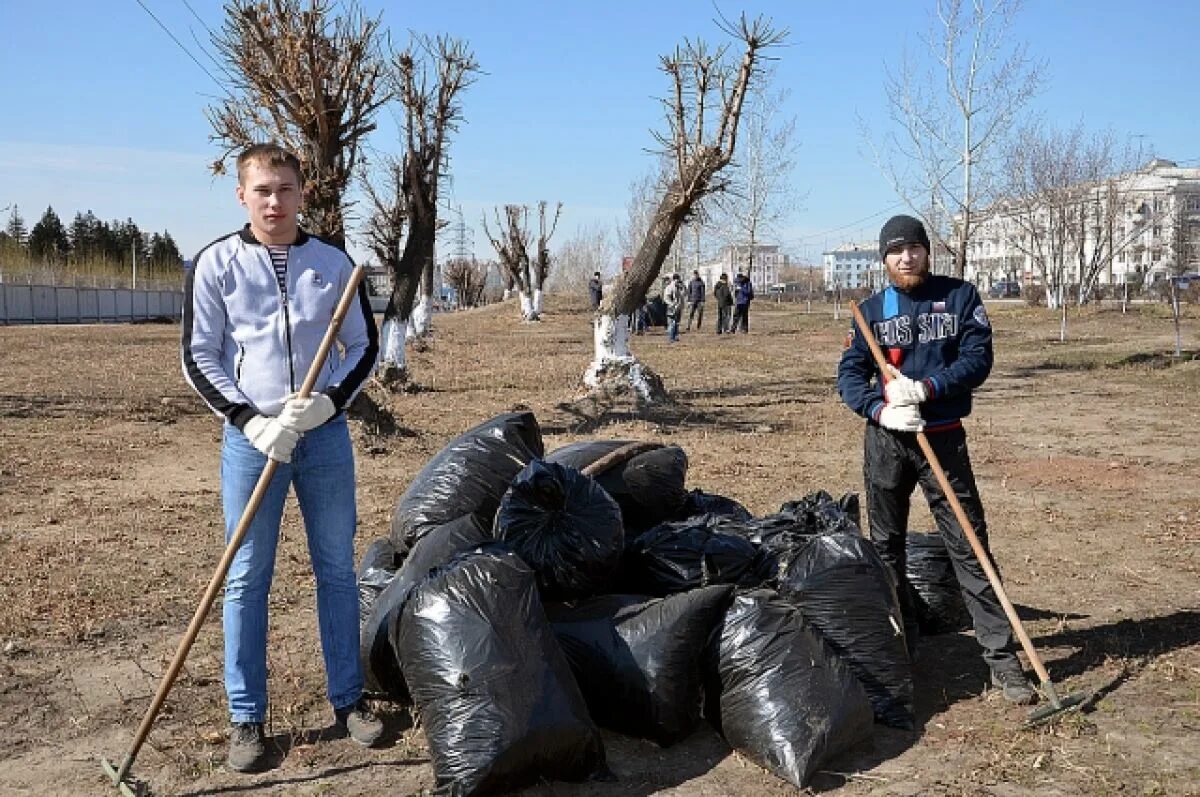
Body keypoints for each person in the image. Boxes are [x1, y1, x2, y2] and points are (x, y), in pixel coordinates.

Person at [181, 143, 384, 773]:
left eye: (286, 189)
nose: (275, 201)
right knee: (245, 576)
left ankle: (350, 700)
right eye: (262, 189)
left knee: (336, 570)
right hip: (252, 443)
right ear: (242, 195)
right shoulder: (215, 264)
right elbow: (199, 354)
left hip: (323, 439)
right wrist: (251, 420)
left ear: (303, 193)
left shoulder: (332, 263)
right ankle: (247, 716)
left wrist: (325, 403)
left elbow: (362, 346)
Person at [836, 214, 1036, 706]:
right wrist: (880, 410)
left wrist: (927, 388)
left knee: (970, 545)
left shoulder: (961, 296)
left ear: (928, 251)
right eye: (896, 250)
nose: (907, 257)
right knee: (885, 547)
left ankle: (1002, 660)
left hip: (942, 437)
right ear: (884, 259)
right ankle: (898, 647)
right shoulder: (871, 310)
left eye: (915, 248)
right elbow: (849, 375)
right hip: (887, 441)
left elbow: (977, 359)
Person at [663, 272, 683, 342]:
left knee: (677, 323)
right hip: (671, 308)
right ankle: (671, 338)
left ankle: (675, 336)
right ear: (674, 280)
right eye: (677, 280)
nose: (678, 281)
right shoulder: (669, 287)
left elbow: (682, 297)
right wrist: (672, 304)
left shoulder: (679, 287)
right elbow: (666, 298)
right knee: (672, 323)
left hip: (678, 308)